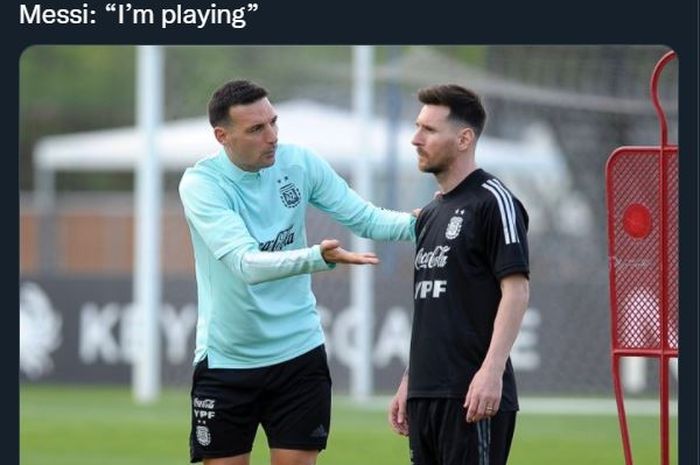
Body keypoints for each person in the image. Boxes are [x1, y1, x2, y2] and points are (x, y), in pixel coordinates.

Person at [179, 79, 416, 465]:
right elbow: (245, 265)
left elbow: (366, 218)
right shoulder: (203, 184)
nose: (271, 136)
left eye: (273, 122)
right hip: (227, 360)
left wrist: (425, 222)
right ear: (223, 136)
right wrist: (316, 257)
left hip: (298, 354)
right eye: (256, 129)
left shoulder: (299, 163)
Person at [388, 84, 530, 465]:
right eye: (418, 127)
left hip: (471, 395)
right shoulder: (430, 214)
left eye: (429, 130)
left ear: (464, 138)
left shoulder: (493, 201)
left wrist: (491, 372)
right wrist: (409, 379)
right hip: (426, 394)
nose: (415, 139)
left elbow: (516, 292)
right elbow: (434, 306)